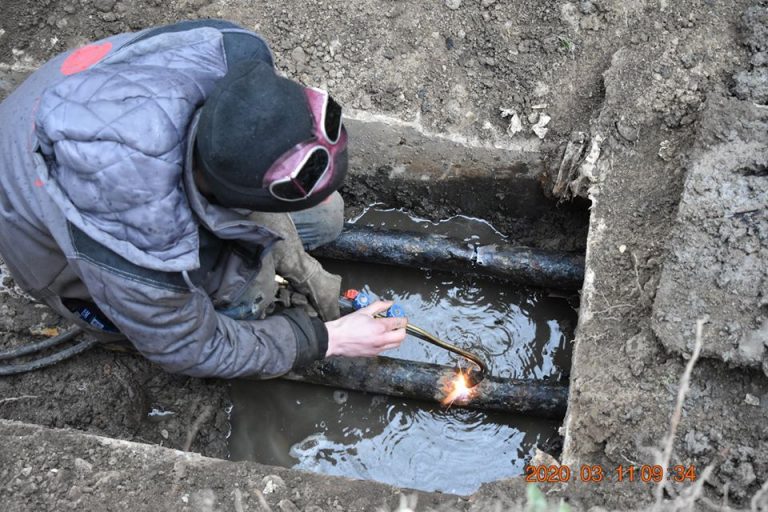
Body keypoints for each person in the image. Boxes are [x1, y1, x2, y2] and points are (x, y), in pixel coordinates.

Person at [0, 20, 407, 378]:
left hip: (95, 126)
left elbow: (246, 189)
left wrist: (307, 272)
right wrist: (323, 340)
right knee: (248, 297)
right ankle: (115, 328)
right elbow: (193, 349)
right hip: (55, 244)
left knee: (325, 216)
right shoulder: (135, 249)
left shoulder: (230, 57)